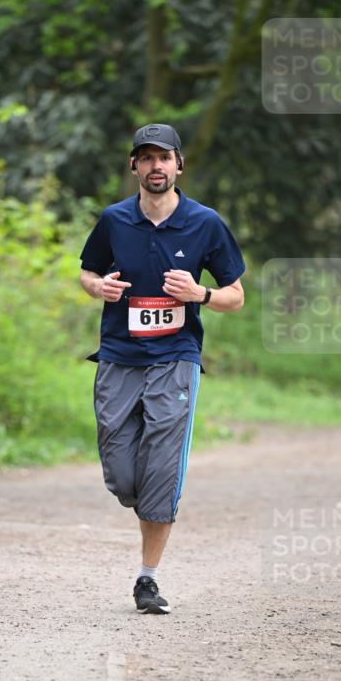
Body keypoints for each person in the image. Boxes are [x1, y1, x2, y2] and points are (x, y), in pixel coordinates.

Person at [79, 123, 245, 615]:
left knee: (163, 467)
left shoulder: (205, 223)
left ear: (178, 165)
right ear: (134, 166)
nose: (156, 167)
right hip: (119, 355)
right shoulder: (113, 221)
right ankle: (143, 498)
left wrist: (202, 294)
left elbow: (236, 296)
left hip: (176, 358)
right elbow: (88, 272)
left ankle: (147, 579)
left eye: (164, 158)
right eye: (146, 158)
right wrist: (97, 288)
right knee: (123, 474)